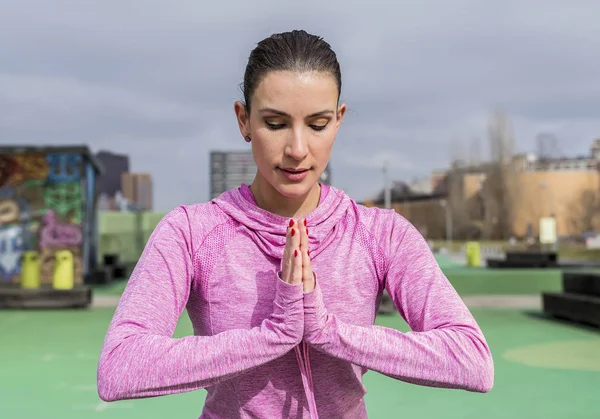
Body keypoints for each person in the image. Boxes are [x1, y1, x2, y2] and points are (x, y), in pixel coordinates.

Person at [97, 29, 494, 418]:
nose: (297, 149)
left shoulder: (380, 234)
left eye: (318, 124)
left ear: (338, 121)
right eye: (275, 123)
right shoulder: (192, 232)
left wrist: (327, 332)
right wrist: (272, 336)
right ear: (244, 120)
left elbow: (470, 359)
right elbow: (120, 366)